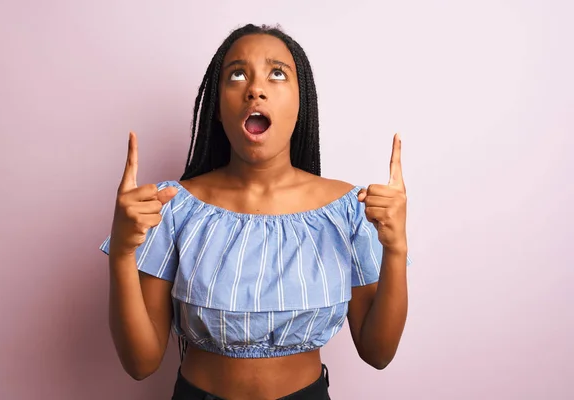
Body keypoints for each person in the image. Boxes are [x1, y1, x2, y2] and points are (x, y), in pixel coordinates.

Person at [99, 23, 411, 400]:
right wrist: (121, 252)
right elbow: (140, 364)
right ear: (217, 107)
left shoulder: (349, 210)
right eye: (237, 74)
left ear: (301, 103)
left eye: (277, 73)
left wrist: (396, 250)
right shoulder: (172, 207)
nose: (255, 89)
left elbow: (378, 353)